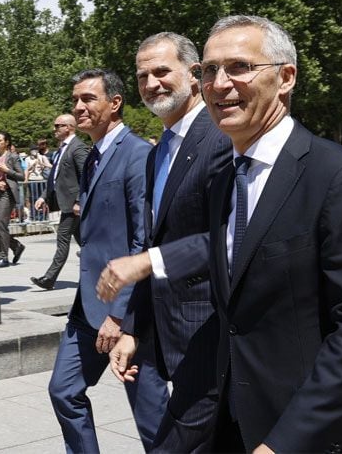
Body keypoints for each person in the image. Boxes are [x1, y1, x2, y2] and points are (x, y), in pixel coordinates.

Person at [99, 16, 342, 453]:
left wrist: (285, 442)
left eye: (239, 67)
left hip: (321, 434)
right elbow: (231, 277)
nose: (219, 84)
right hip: (240, 417)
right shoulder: (227, 182)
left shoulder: (339, 177)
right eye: (209, 70)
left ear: (285, 78)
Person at [99, 32, 232, 452]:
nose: (152, 83)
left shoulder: (221, 138)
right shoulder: (159, 152)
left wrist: (145, 262)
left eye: (161, 72)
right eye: (143, 76)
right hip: (172, 338)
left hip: (214, 337)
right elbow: (158, 240)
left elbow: (230, 237)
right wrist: (134, 330)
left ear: (194, 75)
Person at [47, 69, 168, 453]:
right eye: (75, 100)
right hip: (87, 307)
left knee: (152, 420)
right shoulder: (93, 157)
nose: (78, 107)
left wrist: (120, 315)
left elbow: (142, 240)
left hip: (130, 313)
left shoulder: (138, 155)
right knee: (63, 391)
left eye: (88, 99)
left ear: (114, 104)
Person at [30, 114, 88, 290]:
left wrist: (79, 201)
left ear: (69, 127)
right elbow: (54, 178)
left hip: (73, 205)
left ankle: (49, 278)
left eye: (58, 126)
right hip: (68, 204)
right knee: (86, 243)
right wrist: (43, 196)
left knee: (63, 238)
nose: (54, 129)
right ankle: (102, 269)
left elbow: (86, 176)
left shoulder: (78, 148)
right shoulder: (61, 149)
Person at [0, 131, 25, 268]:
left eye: (0, 140)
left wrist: (7, 170)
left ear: (6, 142)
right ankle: (15, 245)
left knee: (1, 224)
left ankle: (4, 258)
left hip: (7, 194)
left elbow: (21, 176)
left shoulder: (12, 157)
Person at [25, 145, 52, 221]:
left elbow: (48, 166)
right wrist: (33, 165)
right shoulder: (27, 159)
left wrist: (41, 163)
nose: (34, 151)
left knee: (42, 198)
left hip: (41, 179)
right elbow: (27, 169)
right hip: (32, 180)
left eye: (36, 150)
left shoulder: (42, 157)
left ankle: (43, 216)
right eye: (32, 150)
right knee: (33, 198)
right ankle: (34, 216)